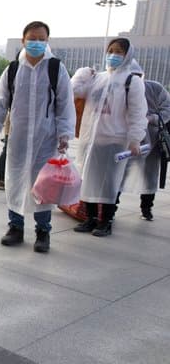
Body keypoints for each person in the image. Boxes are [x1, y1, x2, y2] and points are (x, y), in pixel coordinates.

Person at [0, 21, 76, 253]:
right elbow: (0, 102)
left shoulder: (56, 68)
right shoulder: (13, 69)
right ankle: (15, 227)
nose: (37, 42)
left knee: (43, 185)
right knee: (15, 181)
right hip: (18, 137)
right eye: (32, 38)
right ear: (23, 40)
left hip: (47, 139)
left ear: (47, 41)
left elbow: (65, 103)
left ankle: (43, 232)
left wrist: (65, 133)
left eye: (41, 39)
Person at [72, 38, 148, 237]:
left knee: (109, 182)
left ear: (127, 55)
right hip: (92, 140)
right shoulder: (97, 78)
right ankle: (90, 218)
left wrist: (135, 138)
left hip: (115, 140)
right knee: (88, 179)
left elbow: (138, 112)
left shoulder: (132, 82)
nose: (113, 55)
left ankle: (105, 221)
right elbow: (74, 91)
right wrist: (82, 74)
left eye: (119, 52)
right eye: (110, 50)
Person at [121, 79, 170, 220]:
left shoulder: (154, 87)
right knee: (120, 174)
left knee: (149, 174)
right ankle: (109, 210)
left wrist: (150, 118)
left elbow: (167, 110)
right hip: (127, 138)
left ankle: (146, 208)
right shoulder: (122, 87)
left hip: (152, 140)